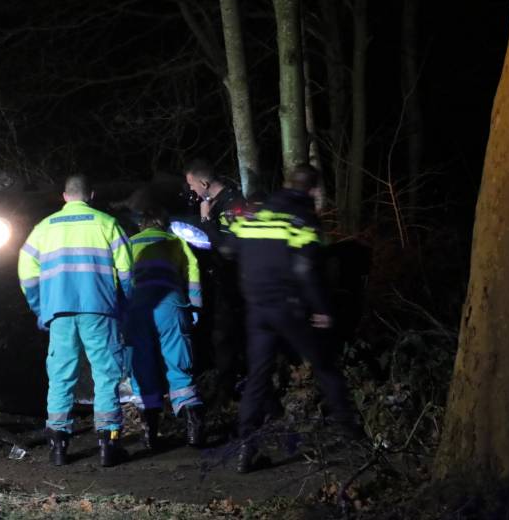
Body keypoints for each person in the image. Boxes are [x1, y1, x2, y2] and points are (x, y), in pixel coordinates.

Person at [227, 164, 362, 474]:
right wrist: (322, 309)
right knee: (325, 365)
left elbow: (229, 248)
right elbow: (306, 269)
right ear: (313, 190)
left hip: (257, 309)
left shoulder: (258, 214)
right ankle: (351, 434)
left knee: (258, 376)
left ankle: (247, 447)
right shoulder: (302, 219)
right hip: (288, 307)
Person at [18, 174, 133, 467]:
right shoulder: (108, 224)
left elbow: (26, 273)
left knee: (61, 376)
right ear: (91, 195)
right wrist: (124, 307)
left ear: (64, 196)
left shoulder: (43, 228)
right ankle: (108, 444)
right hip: (100, 310)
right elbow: (127, 273)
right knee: (105, 374)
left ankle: (58, 446)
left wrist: (41, 308)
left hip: (59, 312)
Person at [125, 206, 205, 450]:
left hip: (138, 307)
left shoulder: (130, 243)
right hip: (170, 303)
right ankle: (194, 428)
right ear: (163, 224)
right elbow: (193, 270)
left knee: (142, 366)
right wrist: (195, 306)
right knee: (179, 363)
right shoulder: (175, 241)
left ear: (141, 225)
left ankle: (150, 434)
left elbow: (120, 276)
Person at [184, 158, 248, 408]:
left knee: (226, 336)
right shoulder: (214, 203)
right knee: (221, 335)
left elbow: (229, 249)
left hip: (235, 282)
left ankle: (229, 391)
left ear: (204, 183)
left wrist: (207, 222)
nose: (191, 191)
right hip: (220, 280)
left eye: (192, 185)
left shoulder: (232, 204)